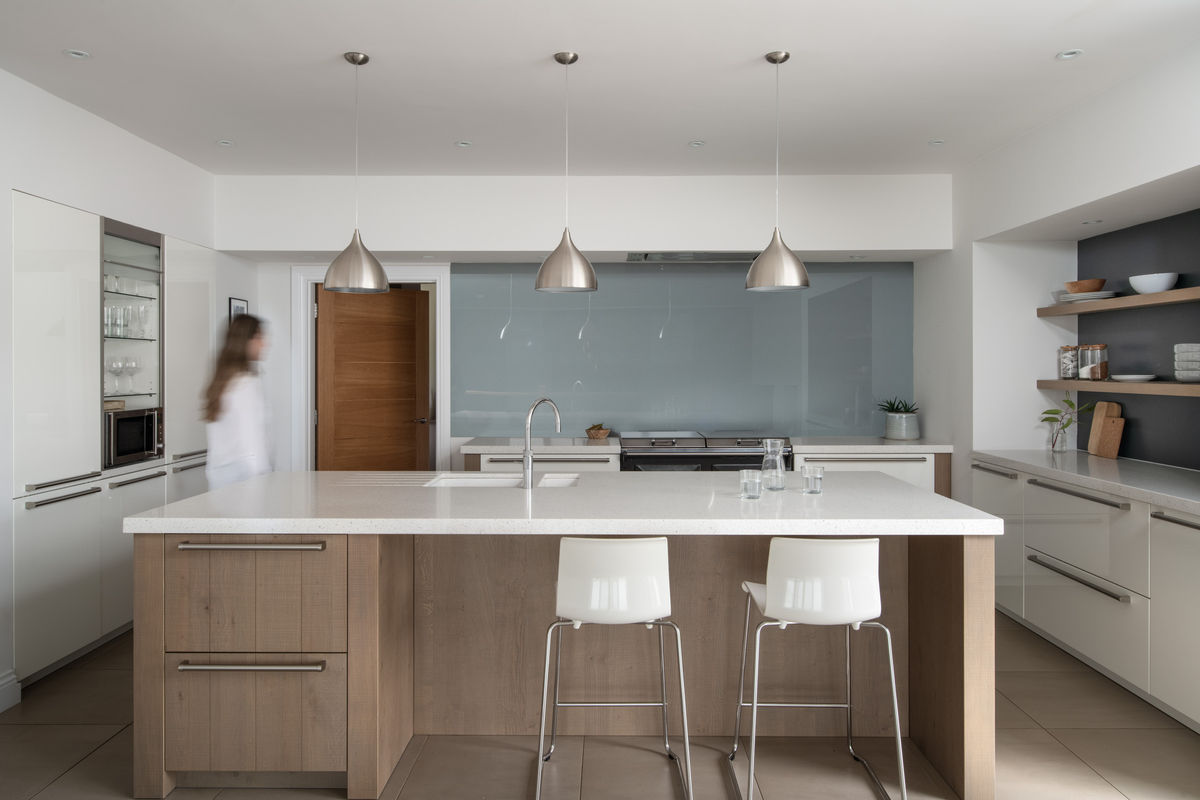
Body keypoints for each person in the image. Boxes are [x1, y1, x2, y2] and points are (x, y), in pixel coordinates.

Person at [203, 314, 272, 489]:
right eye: (259, 337)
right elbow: (253, 440)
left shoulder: (222, 381)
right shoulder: (246, 384)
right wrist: (266, 479)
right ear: (245, 341)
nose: (264, 344)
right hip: (246, 482)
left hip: (219, 479)